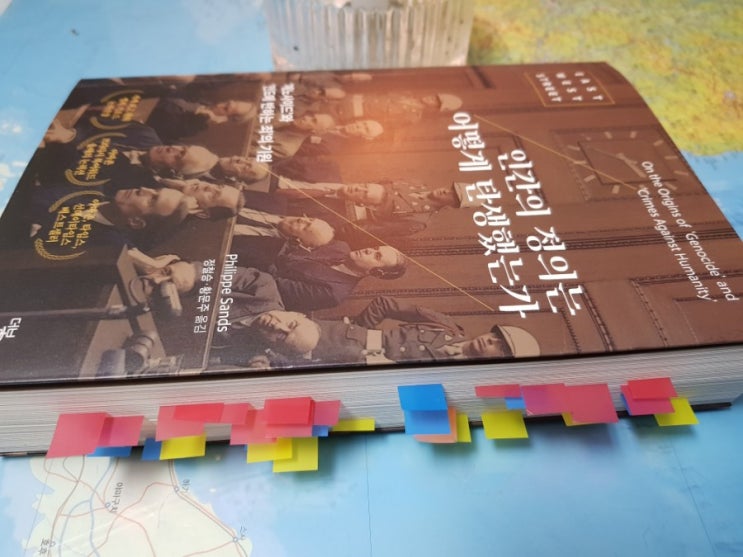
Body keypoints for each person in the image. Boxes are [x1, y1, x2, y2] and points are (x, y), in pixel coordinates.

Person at [227, 295, 540, 366]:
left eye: (499, 347)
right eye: (496, 335)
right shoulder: (445, 325)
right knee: (258, 332)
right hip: (340, 337)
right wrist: (361, 330)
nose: (490, 341)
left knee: (261, 363)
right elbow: (386, 303)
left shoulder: (452, 378)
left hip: (349, 371)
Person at [267, 243, 408, 312]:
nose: (369, 250)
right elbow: (293, 244)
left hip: (260, 277)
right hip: (269, 247)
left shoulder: (334, 293)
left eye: (377, 256)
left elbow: (275, 286)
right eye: (376, 248)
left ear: (376, 272)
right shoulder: (340, 246)